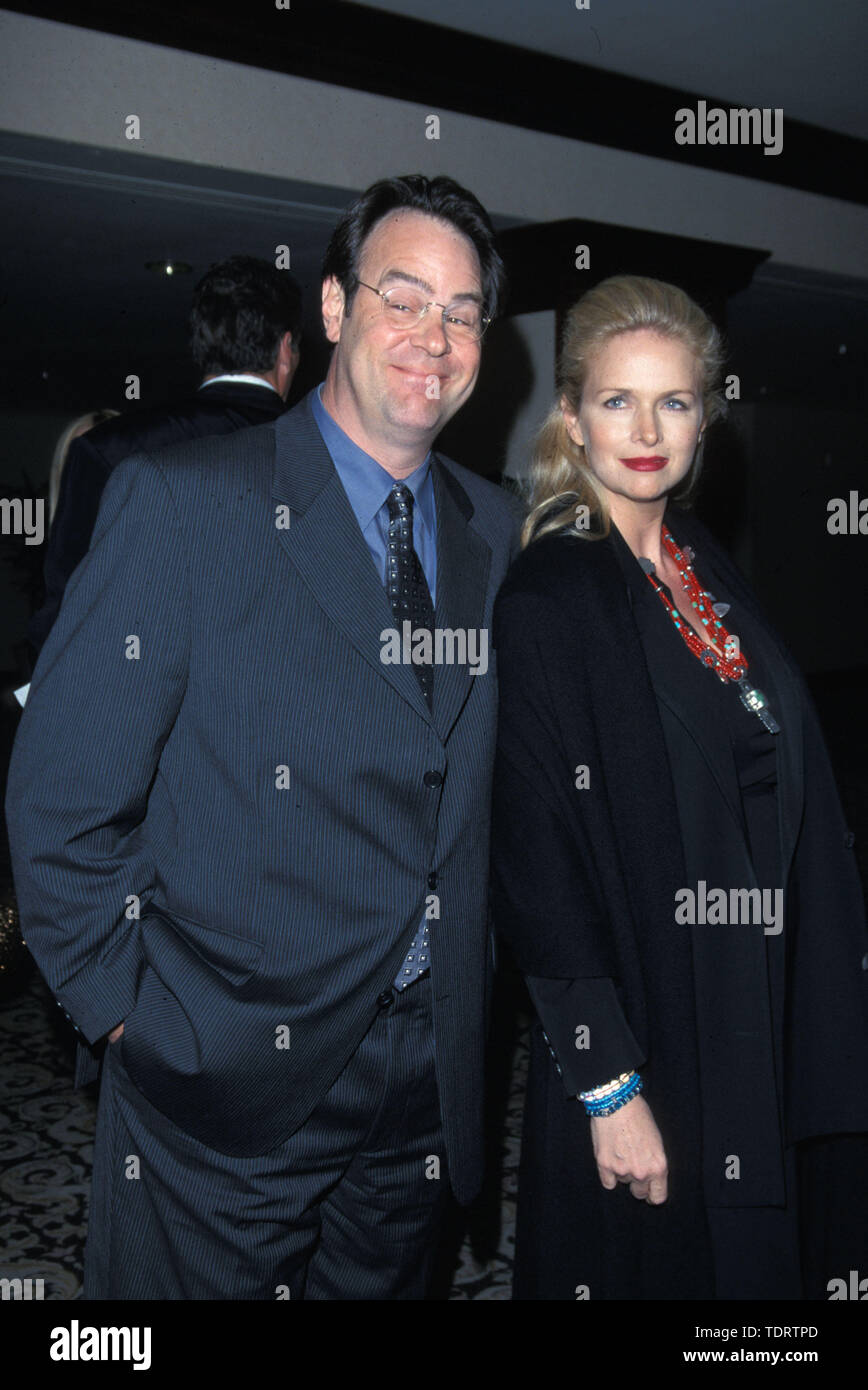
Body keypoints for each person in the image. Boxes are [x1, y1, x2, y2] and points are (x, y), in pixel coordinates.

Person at [6, 174, 519, 1299]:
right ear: (332, 310)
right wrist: (132, 1019)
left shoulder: (500, 526)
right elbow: (60, 802)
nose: (433, 335)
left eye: (464, 308)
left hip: (427, 1074)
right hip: (223, 1071)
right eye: (403, 295)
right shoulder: (183, 503)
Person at [490, 274, 868, 1300]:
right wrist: (608, 1085)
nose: (647, 429)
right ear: (572, 416)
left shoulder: (699, 560)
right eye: (617, 401)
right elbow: (534, 857)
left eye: (674, 401)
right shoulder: (552, 591)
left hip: (759, 989)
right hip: (661, 1017)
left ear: (706, 415)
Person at [28, 254, 302, 660]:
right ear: (285, 350)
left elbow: (64, 618)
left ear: (200, 347)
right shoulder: (336, 460)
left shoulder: (110, 448)